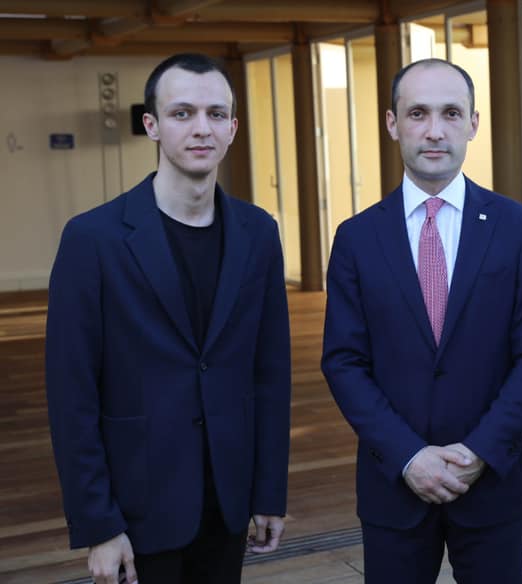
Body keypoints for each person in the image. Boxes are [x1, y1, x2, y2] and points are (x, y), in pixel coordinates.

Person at [45, 53, 291, 584]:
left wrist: (269, 491)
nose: (202, 128)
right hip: (137, 507)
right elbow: (71, 394)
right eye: (182, 113)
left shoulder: (258, 232)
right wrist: (99, 524)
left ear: (232, 128)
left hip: (228, 502)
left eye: (216, 114)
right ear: (152, 125)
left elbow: (270, 373)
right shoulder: (93, 239)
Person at [321, 58, 522, 583]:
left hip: (493, 483)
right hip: (393, 485)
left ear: (473, 123)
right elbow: (343, 362)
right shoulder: (357, 238)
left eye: (451, 113)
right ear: (392, 124)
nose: (435, 130)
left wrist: (480, 451)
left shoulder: (518, 229)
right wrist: (408, 456)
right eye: (418, 114)